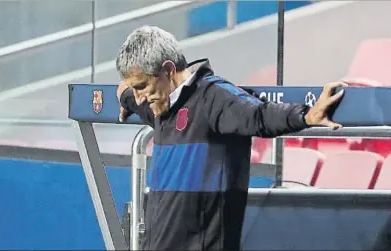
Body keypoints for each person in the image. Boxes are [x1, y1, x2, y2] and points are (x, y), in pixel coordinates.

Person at [116, 25, 346, 250]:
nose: (139, 99)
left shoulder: (214, 97)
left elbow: (259, 115)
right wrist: (124, 95)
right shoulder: (161, 107)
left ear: (167, 70)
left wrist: (306, 115)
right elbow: (126, 93)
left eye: (142, 86)